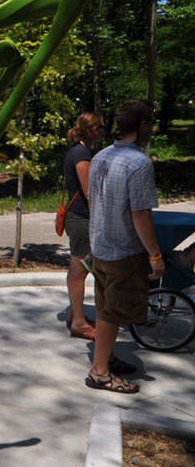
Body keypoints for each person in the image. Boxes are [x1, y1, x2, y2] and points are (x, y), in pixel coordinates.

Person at [85, 99, 164, 393]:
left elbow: (94, 200)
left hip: (101, 245)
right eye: (151, 124)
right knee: (112, 311)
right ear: (143, 125)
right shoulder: (139, 163)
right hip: (124, 250)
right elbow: (140, 214)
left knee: (106, 306)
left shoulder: (100, 157)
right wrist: (155, 255)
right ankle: (100, 373)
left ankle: (106, 358)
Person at [62, 112, 104, 339]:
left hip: (78, 217)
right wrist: (99, 220)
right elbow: (89, 192)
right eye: (102, 127)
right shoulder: (82, 153)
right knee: (80, 271)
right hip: (82, 219)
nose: (103, 131)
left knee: (77, 269)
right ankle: (78, 323)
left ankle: (75, 315)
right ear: (93, 130)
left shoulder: (80, 151)